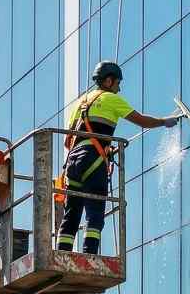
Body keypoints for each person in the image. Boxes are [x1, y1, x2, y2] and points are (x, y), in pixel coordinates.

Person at [56, 60, 181, 254]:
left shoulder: (81, 102)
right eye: (117, 83)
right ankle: (89, 255)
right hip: (93, 161)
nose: (119, 88)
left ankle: (61, 254)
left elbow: (67, 141)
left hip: (73, 163)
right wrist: (164, 121)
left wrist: (97, 141)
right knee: (95, 212)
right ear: (108, 81)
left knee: (72, 214)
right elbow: (142, 121)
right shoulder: (111, 99)